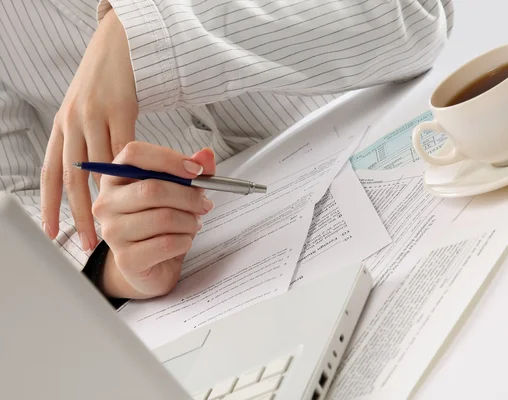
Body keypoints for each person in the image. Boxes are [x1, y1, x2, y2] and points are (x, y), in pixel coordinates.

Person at [0, 0, 454, 303]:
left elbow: (413, 16)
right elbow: (14, 199)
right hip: (207, 296)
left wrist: (141, 36)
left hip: (416, 187)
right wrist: (113, 267)